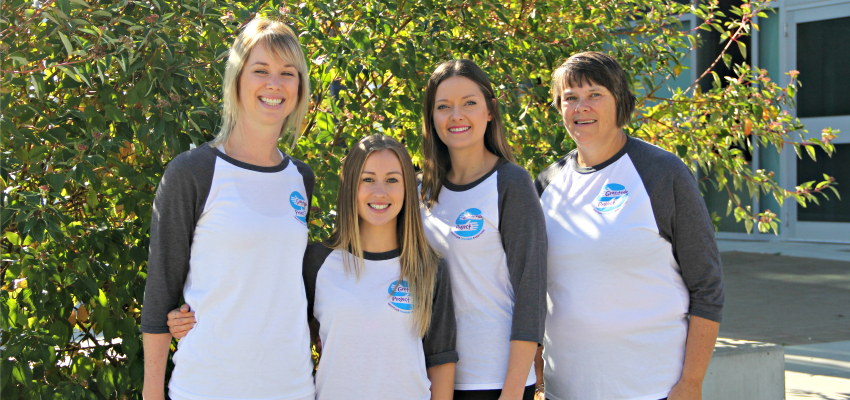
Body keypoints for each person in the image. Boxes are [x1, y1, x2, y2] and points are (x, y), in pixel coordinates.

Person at [167, 135, 458, 399]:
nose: (380, 191)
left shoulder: (429, 268)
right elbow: (267, 316)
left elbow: (441, 361)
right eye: (367, 179)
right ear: (350, 188)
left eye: (392, 180)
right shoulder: (317, 262)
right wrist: (192, 316)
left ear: (408, 187)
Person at [141, 17, 316, 400]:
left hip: (292, 388)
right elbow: (160, 294)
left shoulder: (301, 179)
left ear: (299, 87)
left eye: (288, 73)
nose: (275, 83)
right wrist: (151, 392)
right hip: (206, 387)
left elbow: (290, 286)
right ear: (237, 79)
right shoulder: (192, 172)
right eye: (261, 70)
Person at [534, 51, 725, 400]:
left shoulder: (662, 173)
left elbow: (707, 287)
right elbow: (530, 292)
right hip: (566, 391)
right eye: (570, 98)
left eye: (595, 95)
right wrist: (539, 382)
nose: (581, 107)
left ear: (619, 101)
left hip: (652, 389)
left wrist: (691, 384)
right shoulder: (546, 185)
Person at [419, 59, 548, 400]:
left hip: (494, 381)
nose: (456, 115)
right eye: (443, 106)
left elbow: (531, 294)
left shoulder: (511, 183)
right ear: (431, 118)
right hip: (432, 379)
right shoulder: (420, 191)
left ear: (490, 111)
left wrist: (512, 390)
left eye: (469, 103)